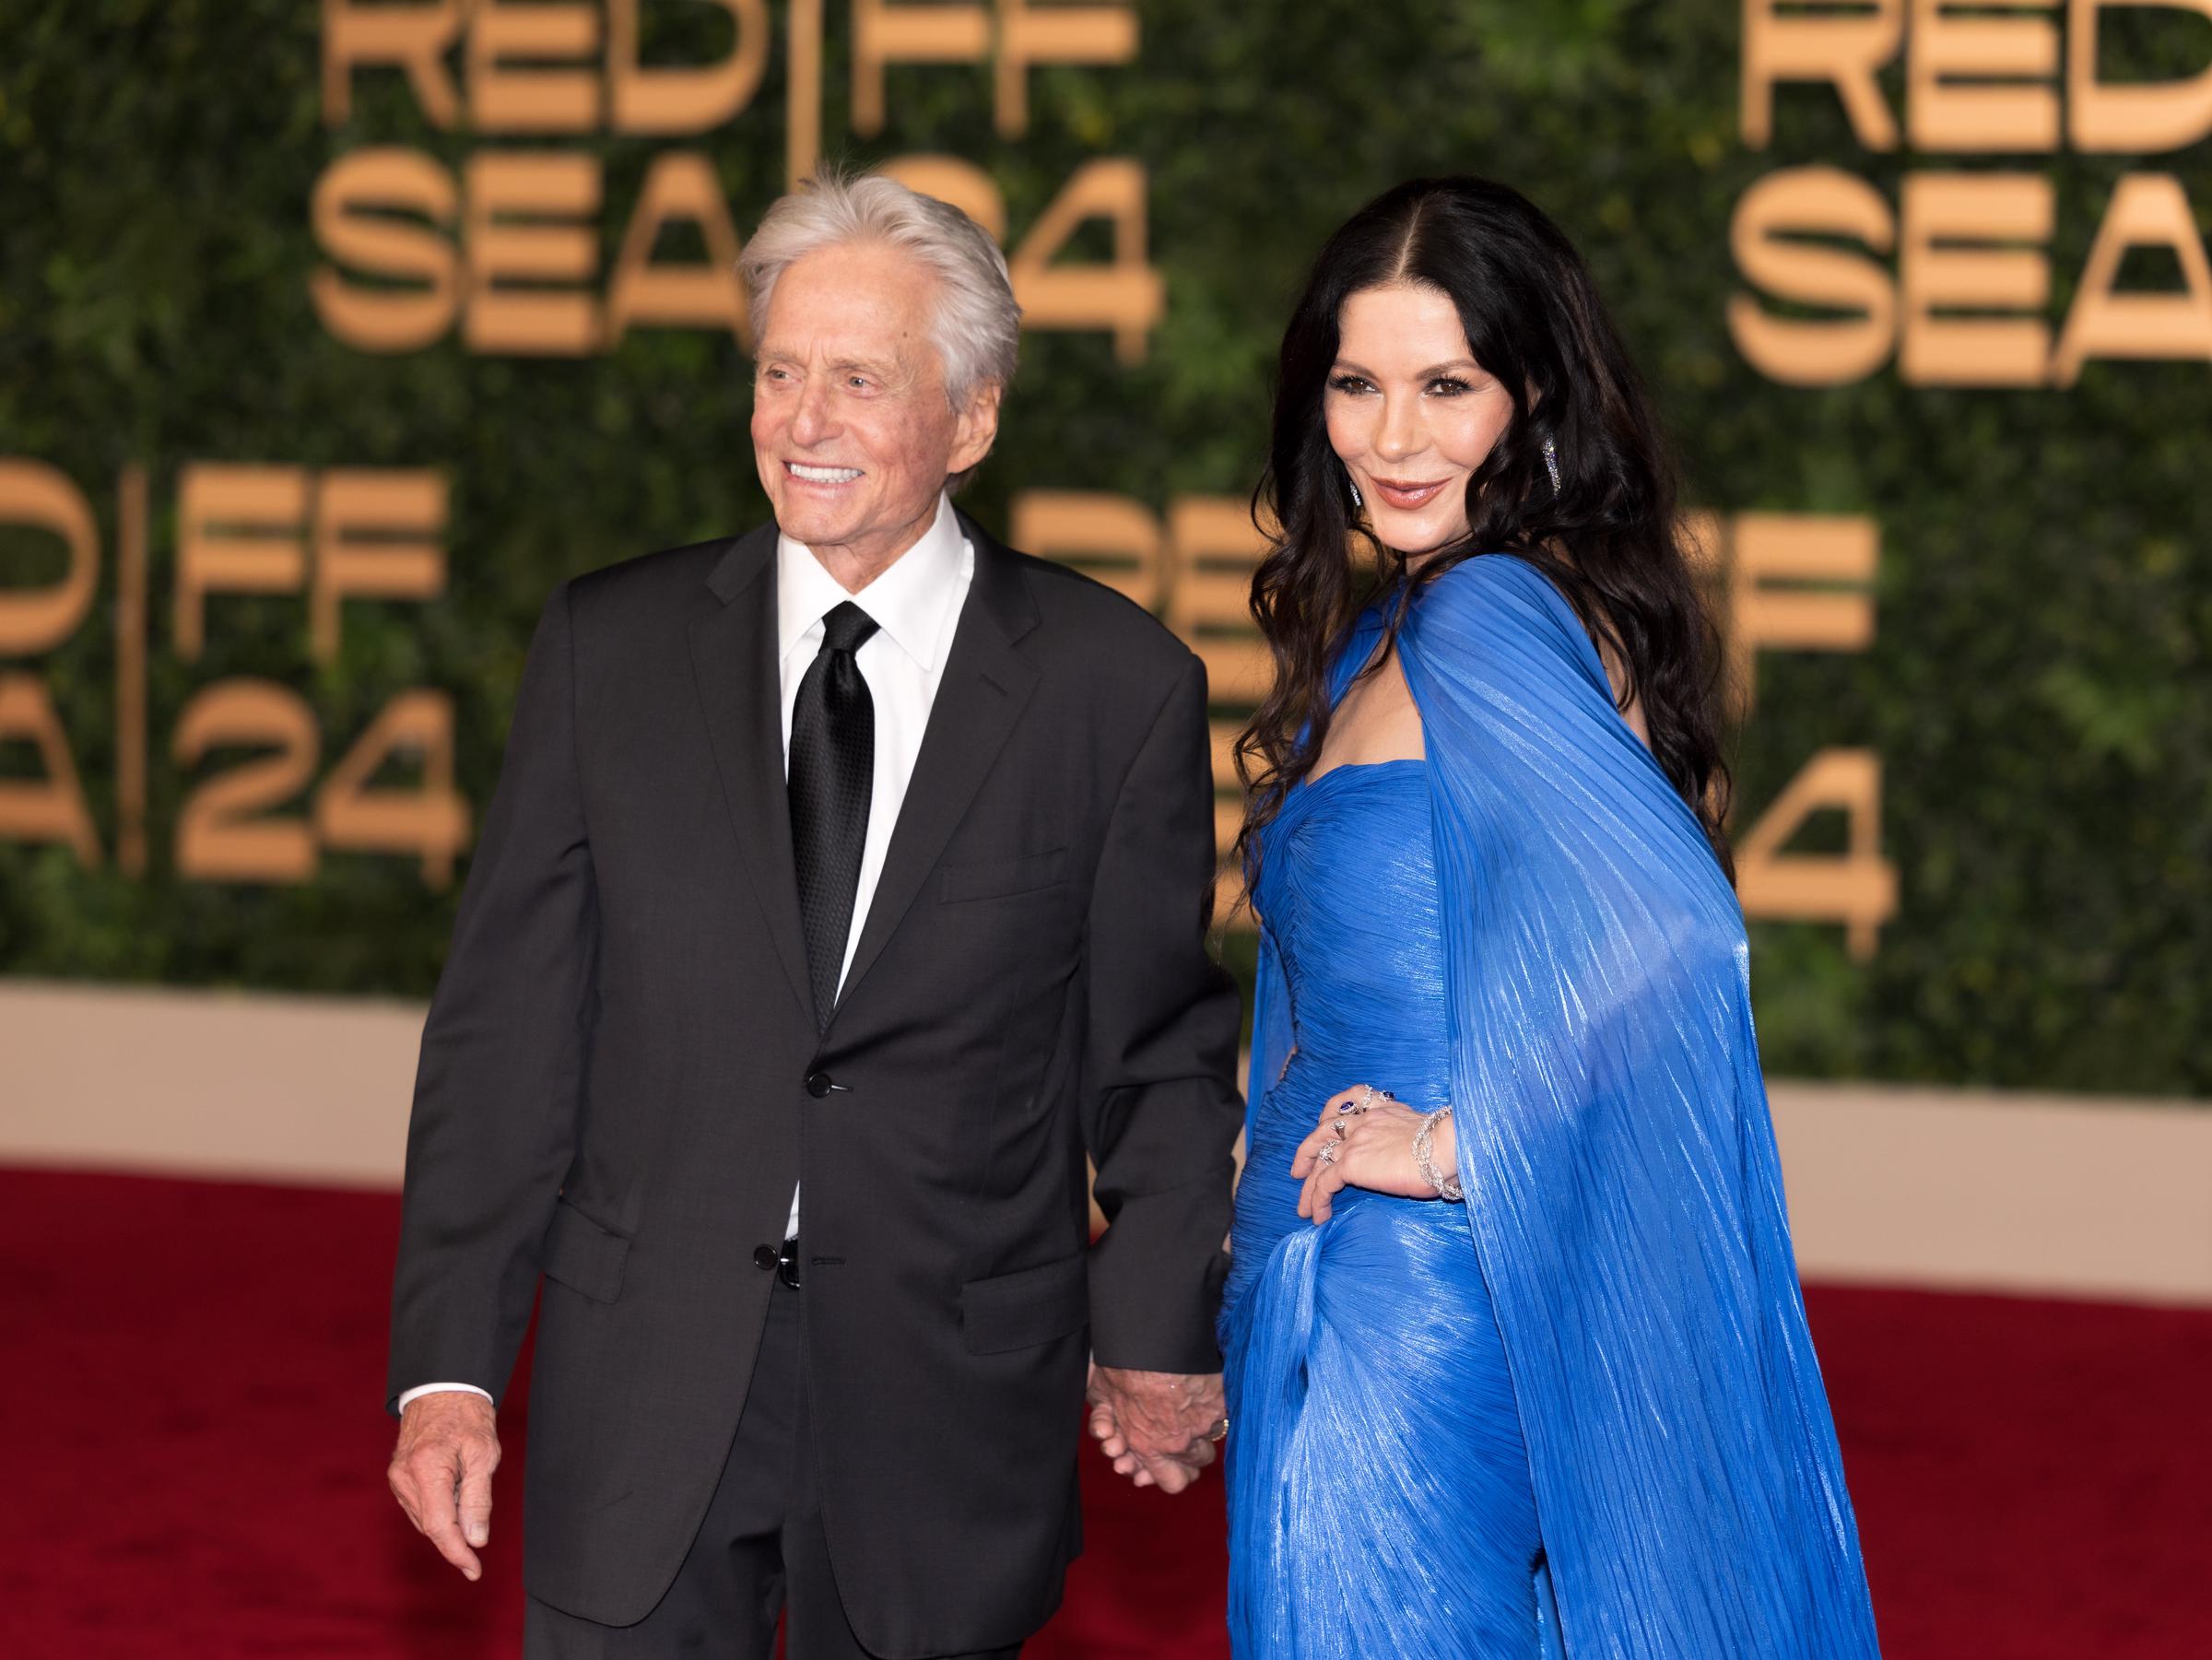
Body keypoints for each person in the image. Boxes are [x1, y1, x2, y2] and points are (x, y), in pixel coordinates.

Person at [383, 170, 1241, 1660]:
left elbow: (1157, 1052)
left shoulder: (1116, 689)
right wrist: (448, 1369)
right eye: (782, 372)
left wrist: (1158, 1329)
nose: (804, 419)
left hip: (944, 1403)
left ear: (969, 419)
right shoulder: (612, 650)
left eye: (859, 378)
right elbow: (505, 1034)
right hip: (641, 1383)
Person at [1218, 177, 1883, 1658]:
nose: (1391, 438)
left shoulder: (1483, 616)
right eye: (1356, 383)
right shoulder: (1414, 620)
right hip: (1369, 1293)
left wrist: (1452, 1148)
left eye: (1445, 386)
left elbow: (1673, 940)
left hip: (1403, 1315)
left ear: (1531, 400)